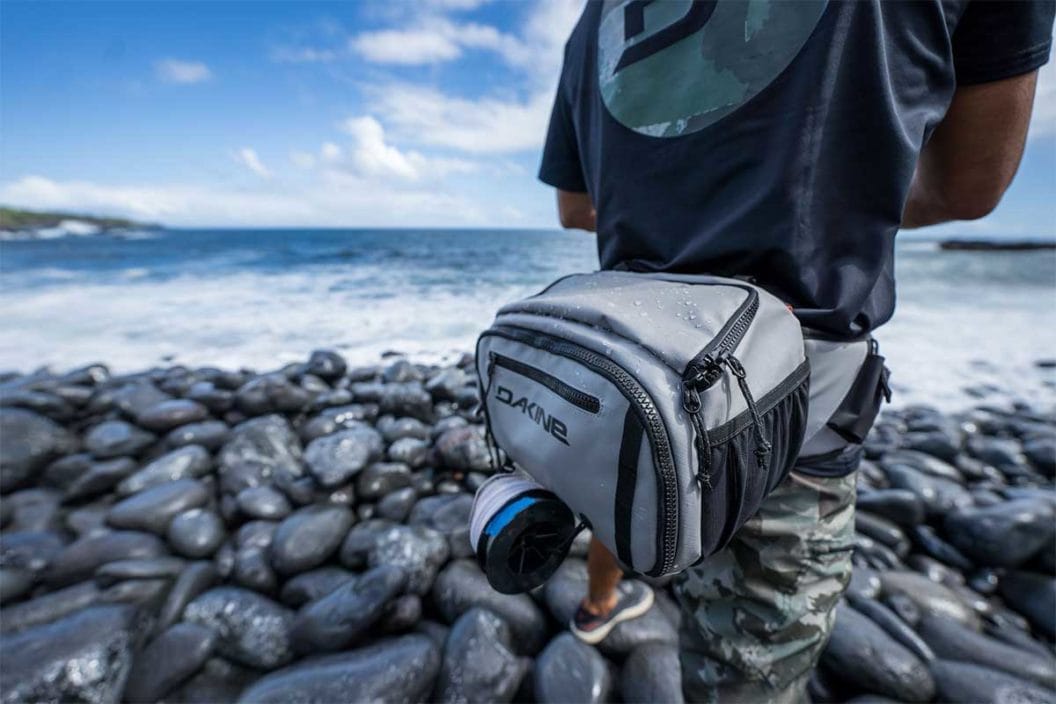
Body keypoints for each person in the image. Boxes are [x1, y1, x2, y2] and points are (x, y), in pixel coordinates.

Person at [540, 0, 1054, 699]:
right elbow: (967, 186)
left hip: (635, 351)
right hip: (789, 392)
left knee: (628, 466)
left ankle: (601, 602)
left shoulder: (594, 19)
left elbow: (575, 208)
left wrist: (679, 208)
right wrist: (801, 196)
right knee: (745, 675)